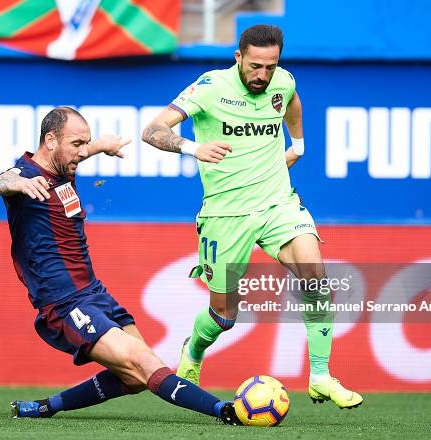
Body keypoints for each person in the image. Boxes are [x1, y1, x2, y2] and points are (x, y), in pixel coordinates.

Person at [142, 24, 362, 409]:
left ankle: (321, 376)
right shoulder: (210, 86)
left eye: (270, 66)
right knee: (224, 315)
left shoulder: (283, 81)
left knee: (315, 272)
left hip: (278, 203)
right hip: (226, 214)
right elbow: (153, 130)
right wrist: (193, 147)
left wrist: (299, 144)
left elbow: (291, 99)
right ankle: (193, 350)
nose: (263, 75)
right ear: (238, 57)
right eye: (255, 66)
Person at [0, 106, 241, 424]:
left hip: (93, 292)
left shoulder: (62, 165)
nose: (81, 153)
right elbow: (0, 181)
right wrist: (12, 183)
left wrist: (101, 146)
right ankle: (224, 410)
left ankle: (45, 407)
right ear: (50, 140)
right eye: (77, 145)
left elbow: (77, 153)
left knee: (136, 377)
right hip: (64, 303)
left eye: (86, 143)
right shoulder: (27, 178)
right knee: (142, 362)